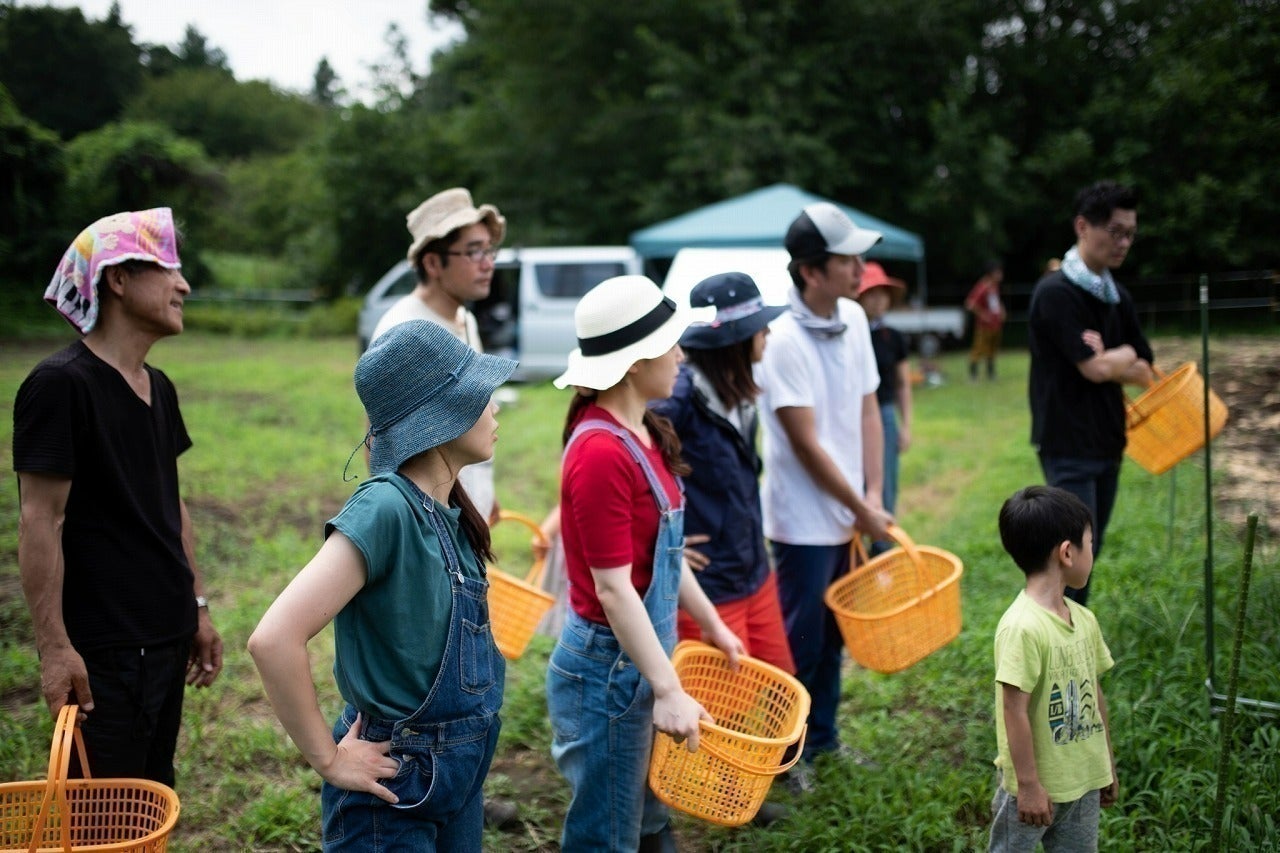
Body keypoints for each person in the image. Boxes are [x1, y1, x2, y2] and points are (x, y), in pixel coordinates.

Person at [249, 320, 517, 851]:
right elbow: (273, 639)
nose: (496, 407)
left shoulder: (448, 512)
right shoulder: (386, 507)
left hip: (459, 778)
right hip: (395, 788)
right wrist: (328, 759)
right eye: (481, 394)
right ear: (441, 416)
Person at [13, 208, 223, 787]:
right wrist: (55, 649)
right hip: (101, 651)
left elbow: (170, 504)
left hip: (166, 636)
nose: (183, 285)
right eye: (167, 270)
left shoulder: (159, 386)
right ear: (118, 279)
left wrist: (196, 607)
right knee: (98, 817)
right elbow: (40, 521)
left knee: (152, 794)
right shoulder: (60, 386)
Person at [546, 275, 744, 851]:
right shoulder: (600, 451)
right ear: (634, 363)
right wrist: (667, 689)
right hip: (608, 668)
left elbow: (664, 557)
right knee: (607, 831)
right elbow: (613, 592)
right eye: (670, 343)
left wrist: (711, 624)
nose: (681, 355)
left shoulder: (645, 431)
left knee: (647, 819)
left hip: (643, 657)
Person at [756, 202, 894, 790]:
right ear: (811, 271)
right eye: (848, 258)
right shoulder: (782, 339)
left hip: (851, 509)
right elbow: (805, 443)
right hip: (803, 519)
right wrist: (859, 507)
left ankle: (827, 739)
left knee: (835, 631)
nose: (861, 266)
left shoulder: (855, 320)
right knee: (801, 639)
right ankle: (788, 755)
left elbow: (868, 408)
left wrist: (875, 493)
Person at [652, 272, 793, 675]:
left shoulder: (740, 386)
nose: (766, 331)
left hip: (754, 571)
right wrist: (663, 541)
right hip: (710, 589)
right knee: (724, 711)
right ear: (733, 340)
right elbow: (630, 467)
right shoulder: (677, 399)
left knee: (780, 681)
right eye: (757, 325)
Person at [1027, 181, 1154, 606]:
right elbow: (1093, 367)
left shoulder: (1119, 298)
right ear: (1083, 226)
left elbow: (1146, 371)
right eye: (1115, 231)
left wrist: (1113, 357)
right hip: (1067, 444)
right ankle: (1056, 653)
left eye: (1130, 234)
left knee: (1087, 556)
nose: (1123, 243)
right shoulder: (1056, 293)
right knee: (1070, 563)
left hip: (1108, 440)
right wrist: (1120, 358)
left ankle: (1072, 649)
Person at [989, 485, 1118, 852]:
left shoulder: (1084, 620)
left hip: (1083, 781)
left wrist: (1105, 764)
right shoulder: (1022, 628)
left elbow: (1095, 694)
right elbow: (1013, 708)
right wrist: (1028, 785)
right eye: (1090, 543)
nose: (1092, 552)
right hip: (1033, 791)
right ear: (1066, 552)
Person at [370, 187, 505, 523]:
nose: (488, 264)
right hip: (433, 519)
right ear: (432, 262)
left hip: (466, 512)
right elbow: (381, 444)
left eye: (490, 251)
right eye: (473, 252)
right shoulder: (405, 329)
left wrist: (483, 496)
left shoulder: (465, 320)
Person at [854, 262, 914, 555]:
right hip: (852, 419)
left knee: (884, 485)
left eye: (883, 293)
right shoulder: (850, 334)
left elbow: (903, 383)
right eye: (871, 293)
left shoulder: (894, 337)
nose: (878, 300)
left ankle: (882, 555)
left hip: (885, 414)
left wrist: (906, 425)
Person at [965, 260, 1007, 382]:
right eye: (998, 272)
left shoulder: (994, 286)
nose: (1000, 274)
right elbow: (970, 304)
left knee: (992, 350)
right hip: (984, 326)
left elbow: (996, 302)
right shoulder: (982, 286)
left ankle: (991, 374)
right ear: (991, 273)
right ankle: (973, 375)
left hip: (996, 324)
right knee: (978, 350)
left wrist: (1002, 310)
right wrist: (984, 315)